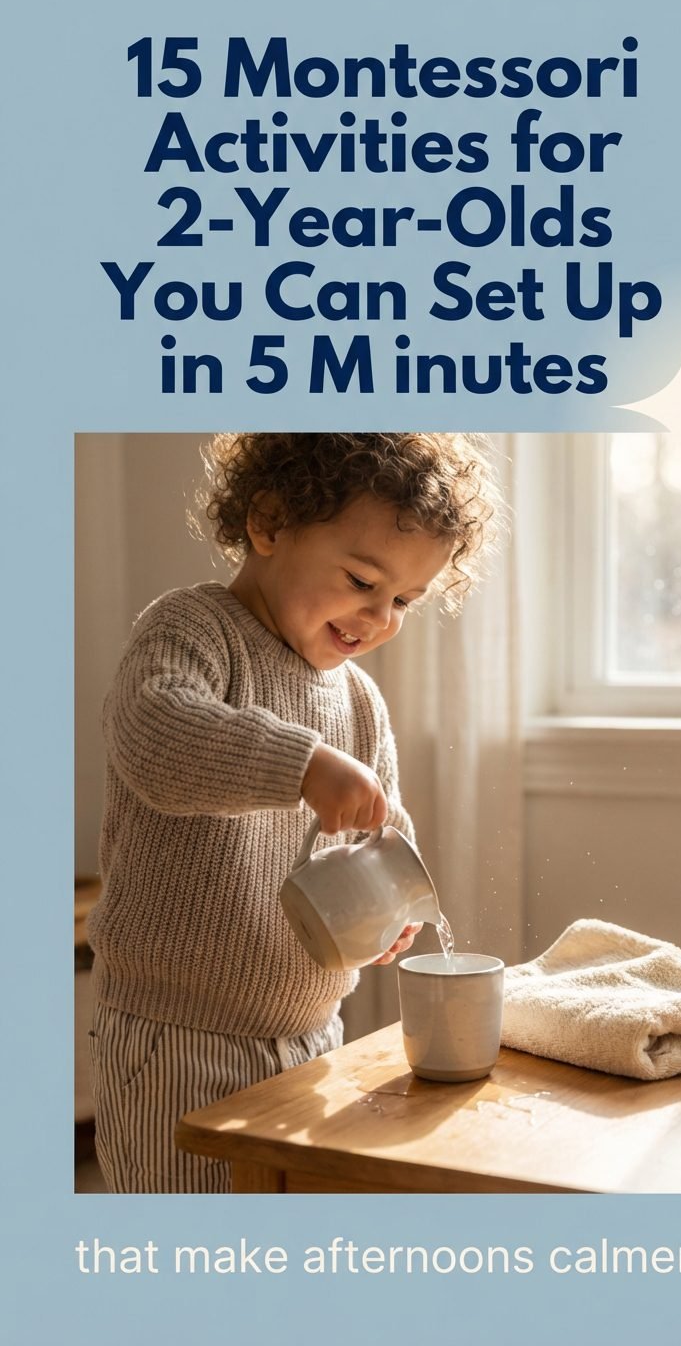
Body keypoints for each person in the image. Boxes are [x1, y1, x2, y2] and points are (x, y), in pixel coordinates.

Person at [87, 432, 500, 1192]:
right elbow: (156, 738)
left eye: (404, 600)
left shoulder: (359, 700)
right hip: (177, 1037)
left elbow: (383, 828)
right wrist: (302, 764)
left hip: (312, 1037)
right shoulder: (191, 630)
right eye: (360, 579)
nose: (378, 617)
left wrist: (394, 911)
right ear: (270, 523)